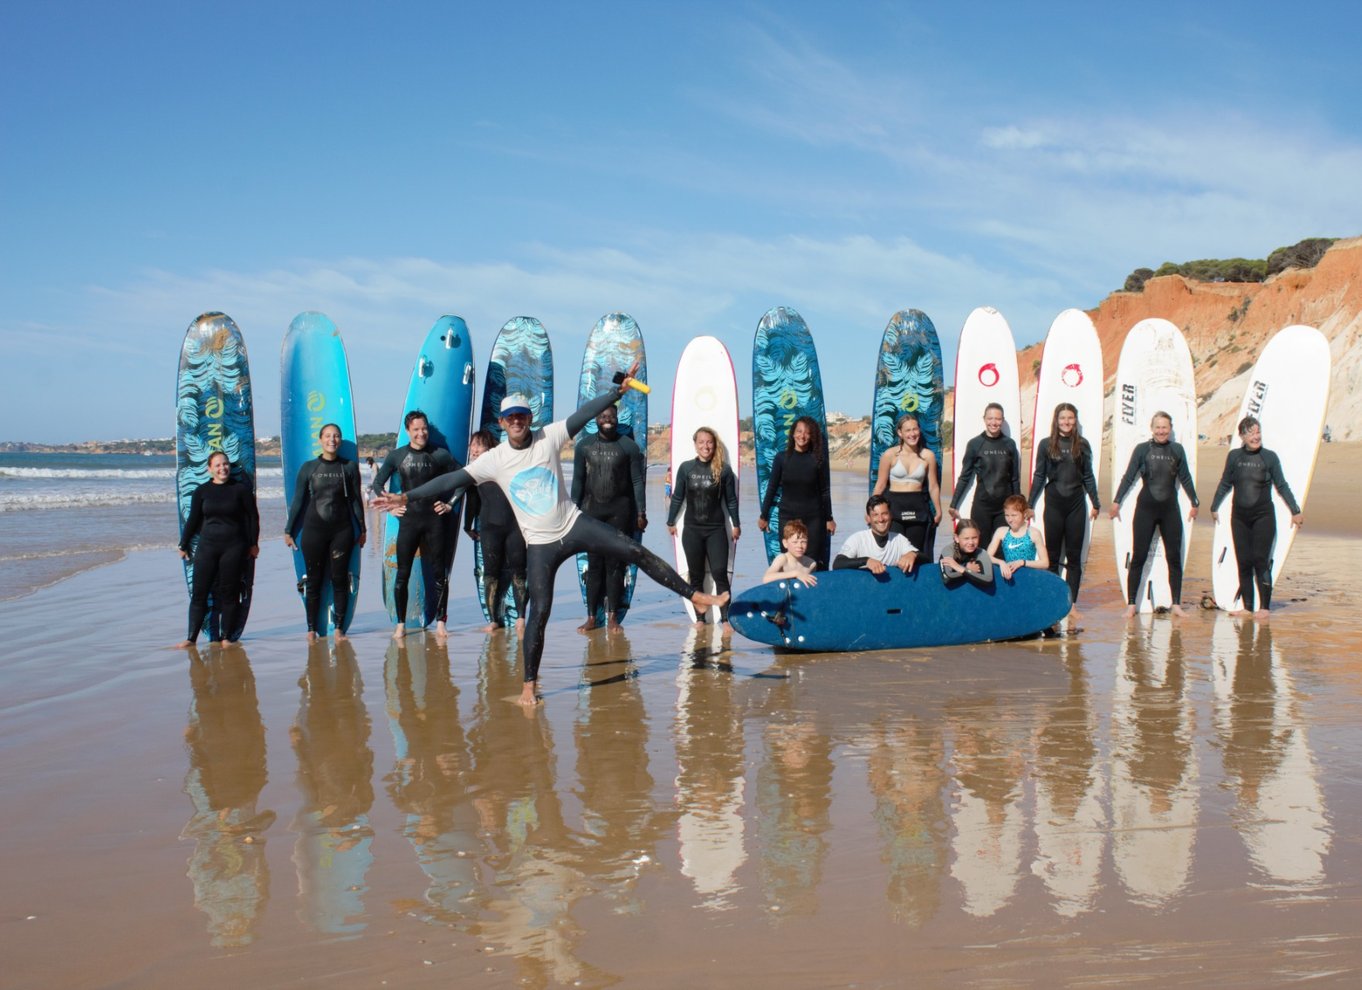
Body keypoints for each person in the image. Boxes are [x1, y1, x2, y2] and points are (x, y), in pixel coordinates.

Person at [375, 368, 727, 706]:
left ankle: (694, 595)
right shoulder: (493, 460)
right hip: (540, 544)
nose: (517, 421)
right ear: (502, 423)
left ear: (530, 419)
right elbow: (450, 482)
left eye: (522, 416)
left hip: (573, 523)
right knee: (540, 611)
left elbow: (583, 414)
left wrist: (616, 392)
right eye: (510, 417)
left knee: (632, 549)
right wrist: (406, 497)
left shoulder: (549, 436)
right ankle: (529, 685)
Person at [370, 411, 461, 640]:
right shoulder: (397, 456)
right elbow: (378, 483)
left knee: (440, 574)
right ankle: (400, 624)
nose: (421, 433)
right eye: (416, 429)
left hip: (435, 521)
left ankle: (441, 623)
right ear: (408, 431)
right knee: (403, 574)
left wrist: (450, 504)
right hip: (408, 521)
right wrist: (391, 506)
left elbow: (463, 478)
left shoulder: (439, 455)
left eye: (424, 429)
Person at [1210, 415, 1303, 618]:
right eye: (1250, 433)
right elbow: (1226, 482)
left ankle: (1264, 608)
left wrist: (1295, 511)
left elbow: (1282, 485)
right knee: (1243, 562)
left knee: (1260, 561)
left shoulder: (1269, 457)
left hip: (1263, 516)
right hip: (1239, 517)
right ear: (1242, 436)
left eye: (1258, 431)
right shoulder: (1234, 456)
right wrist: (1214, 505)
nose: (1255, 436)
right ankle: (1248, 606)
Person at [1110, 411, 1199, 618]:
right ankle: (1131, 604)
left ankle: (1176, 604)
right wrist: (1116, 502)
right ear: (1152, 428)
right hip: (1145, 509)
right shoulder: (1142, 450)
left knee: (1174, 557)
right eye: (1158, 427)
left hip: (1170, 510)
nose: (1161, 431)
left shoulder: (1177, 450)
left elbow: (1185, 477)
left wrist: (1194, 501)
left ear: (1170, 429)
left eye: (1164, 427)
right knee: (1139, 556)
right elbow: (1129, 476)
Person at [284, 423, 366, 642]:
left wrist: (363, 528)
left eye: (337, 436)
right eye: (328, 436)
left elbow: (356, 501)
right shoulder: (309, 468)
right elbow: (298, 501)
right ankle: (311, 628)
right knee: (314, 580)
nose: (333, 439)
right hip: (314, 531)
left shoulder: (348, 467)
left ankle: (339, 628)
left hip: (342, 531)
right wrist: (288, 530)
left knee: (339, 579)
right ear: (320, 440)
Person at [571, 404, 647, 632]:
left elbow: (636, 482)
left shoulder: (629, 447)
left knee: (615, 564)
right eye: (603, 416)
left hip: (620, 512)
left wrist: (641, 512)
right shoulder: (584, 446)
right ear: (596, 419)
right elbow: (578, 480)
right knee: (594, 565)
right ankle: (592, 617)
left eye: (611, 416)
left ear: (617, 418)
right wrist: (573, 511)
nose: (607, 419)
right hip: (592, 511)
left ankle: (612, 617)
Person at [176, 451, 260, 648]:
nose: (223, 468)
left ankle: (225, 638)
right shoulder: (202, 491)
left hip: (234, 547)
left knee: (228, 594)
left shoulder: (240, 490)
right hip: (207, 547)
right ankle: (191, 638)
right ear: (209, 469)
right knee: (199, 594)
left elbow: (252, 518)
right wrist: (183, 543)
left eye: (226, 464)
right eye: (218, 465)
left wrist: (253, 543)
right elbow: (193, 519)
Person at [1027, 402, 1099, 613]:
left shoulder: (1083, 445)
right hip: (1054, 505)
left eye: (1070, 418)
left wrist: (1095, 502)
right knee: (1053, 555)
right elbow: (1039, 475)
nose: (1066, 422)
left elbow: (1088, 475)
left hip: (1076, 505)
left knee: (1075, 557)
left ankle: (1072, 602)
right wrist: (1030, 504)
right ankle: (1053, 600)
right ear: (1056, 420)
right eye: (1062, 418)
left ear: (1075, 420)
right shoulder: (1046, 444)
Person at [668, 426, 742, 631]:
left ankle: (726, 618)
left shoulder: (724, 470)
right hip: (691, 530)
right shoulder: (686, 468)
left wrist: (736, 524)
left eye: (709, 442)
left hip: (716, 529)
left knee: (720, 574)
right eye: (701, 442)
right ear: (695, 444)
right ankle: (700, 618)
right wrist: (670, 521)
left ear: (714, 444)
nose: (705, 446)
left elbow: (731, 501)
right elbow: (677, 497)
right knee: (696, 575)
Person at [462, 429, 527, 634]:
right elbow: (472, 500)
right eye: (472, 445)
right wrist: (467, 525)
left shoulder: (504, 464)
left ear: (490, 447)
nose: (474, 449)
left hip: (514, 526)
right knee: (491, 574)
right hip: (489, 527)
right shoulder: (473, 472)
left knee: (519, 571)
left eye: (478, 445)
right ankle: (494, 620)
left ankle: (522, 616)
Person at [758, 416, 836, 570]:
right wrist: (764, 515)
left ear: (812, 437)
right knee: (788, 561)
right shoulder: (781, 458)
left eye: (807, 433)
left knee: (812, 563)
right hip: (788, 515)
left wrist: (829, 518)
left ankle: (813, 593)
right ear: (793, 434)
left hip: (814, 518)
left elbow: (824, 491)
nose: (802, 436)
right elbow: (772, 488)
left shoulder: (817, 459)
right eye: (799, 431)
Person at [873, 412, 942, 557]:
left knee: (915, 552)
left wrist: (938, 510)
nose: (912, 434)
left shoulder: (927, 455)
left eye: (915, 429)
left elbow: (933, 486)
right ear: (900, 433)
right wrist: (871, 510)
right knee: (895, 552)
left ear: (919, 430)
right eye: (908, 430)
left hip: (917, 508)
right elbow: (880, 484)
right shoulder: (890, 455)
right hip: (894, 508)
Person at [949, 402, 1020, 540]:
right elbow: (965, 476)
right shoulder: (975, 444)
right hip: (982, 506)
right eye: (990, 418)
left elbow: (1014, 478)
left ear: (1002, 420)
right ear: (984, 419)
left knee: (1002, 549)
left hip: (1004, 508)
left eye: (998, 419)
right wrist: (954, 504)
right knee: (981, 548)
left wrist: (1019, 506)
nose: (994, 422)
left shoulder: (1010, 444)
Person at [833, 495, 918, 574]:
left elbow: (927, 560)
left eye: (884, 514)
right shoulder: (857, 539)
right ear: (868, 518)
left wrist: (913, 554)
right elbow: (837, 564)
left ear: (891, 516)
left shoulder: (899, 539)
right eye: (875, 515)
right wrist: (866, 561)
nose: (881, 519)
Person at [987, 494, 1049, 580]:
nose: (1010, 519)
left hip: (1029, 578)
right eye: (1007, 515)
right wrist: (1001, 562)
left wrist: (1022, 563)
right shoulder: (1001, 532)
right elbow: (987, 557)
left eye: (1014, 515)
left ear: (1024, 514)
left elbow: (1045, 563)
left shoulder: (1033, 533)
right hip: (1010, 577)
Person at [762, 518, 819, 586]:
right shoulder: (783, 559)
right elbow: (766, 579)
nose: (799, 546)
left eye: (803, 542)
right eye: (795, 542)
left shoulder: (811, 564)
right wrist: (796, 573)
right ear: (785, 543)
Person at [940, 518, 994, 588]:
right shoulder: (948, 550)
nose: (971, 542)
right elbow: (947, 578)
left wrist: (961, 568)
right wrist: (967, 569)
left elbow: (988, 579)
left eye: (974, 538)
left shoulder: (981, 552)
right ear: (956, 538)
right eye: (966, 538)